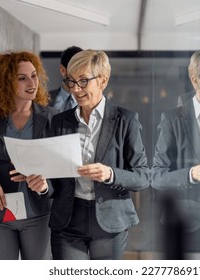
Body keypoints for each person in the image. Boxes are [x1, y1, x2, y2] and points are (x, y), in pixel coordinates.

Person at [36, 49, 150, 260]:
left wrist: (110, 174)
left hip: (110, 222)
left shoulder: (126, 120)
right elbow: (53, 181)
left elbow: (142, 177)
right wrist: (43, 187)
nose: (76, 89)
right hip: (68, 220)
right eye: (71, 82)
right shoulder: (59, 122)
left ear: (103, 81)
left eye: (83, 81)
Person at [0, 50, 57, 260]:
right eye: (22, 78)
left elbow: (63, 171)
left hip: (40, 215)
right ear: (7, 82)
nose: (32, 83)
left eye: (34, 76)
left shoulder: (52, 118)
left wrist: (45, 186)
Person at [151, 50, 200, 254]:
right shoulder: (172, 120)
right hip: (185, 223)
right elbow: (156, 177)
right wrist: (191, 174)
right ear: (195, 80)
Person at [48, 46, 82, 111]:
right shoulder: (44, 99)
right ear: (62, 70)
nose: (80, 74)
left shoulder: (90, 100)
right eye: (75, 69)